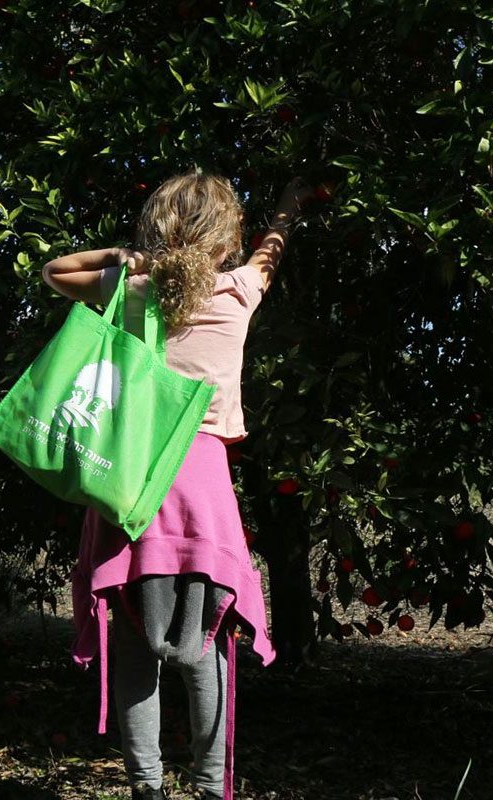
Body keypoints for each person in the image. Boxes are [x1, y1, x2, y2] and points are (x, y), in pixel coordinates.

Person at [46, 172, 313, 800]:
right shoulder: (239, 291)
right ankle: (209, 786)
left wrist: (124, 257)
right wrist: (290, 204)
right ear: (225, 240)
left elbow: (55, 272)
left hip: (130, 484)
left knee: (134, 644)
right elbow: (271, 251)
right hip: (200, 494)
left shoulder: (134, 288)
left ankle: (146, 788)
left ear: (159, 227)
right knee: (207, 642)